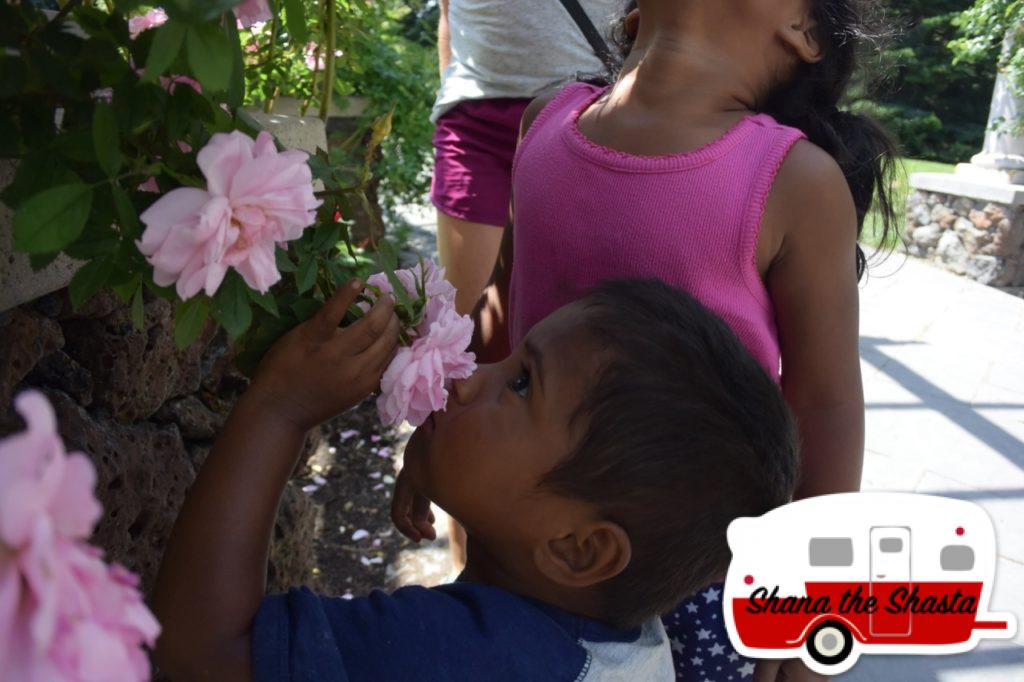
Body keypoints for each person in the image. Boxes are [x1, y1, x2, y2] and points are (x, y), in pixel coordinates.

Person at [469, 0, 899, 678]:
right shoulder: (545, 120)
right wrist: (439, 433)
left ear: (804, 32)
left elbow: (826, 405)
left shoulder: (794, 181)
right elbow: (499, 309)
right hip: (516, 540)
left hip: (689, 581)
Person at [151, 277, 799, 681]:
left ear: (580, 548)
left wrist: (278, 410)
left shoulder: (456, 656)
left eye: (520, 384)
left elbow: (197, 651)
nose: (466, 378)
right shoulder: (622, 640)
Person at [432, 0, 622, 316]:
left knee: (588, 315)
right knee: (467, 322)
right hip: (478, 125)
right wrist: (452, 90)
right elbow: (447, 11)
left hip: (591, 117)